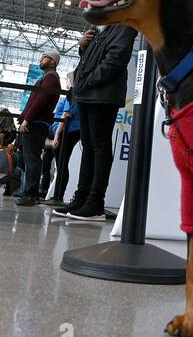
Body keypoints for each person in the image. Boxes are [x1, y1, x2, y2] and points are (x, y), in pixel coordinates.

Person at [54, 24, 135, 221]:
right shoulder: (103, 29)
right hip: (88, 94)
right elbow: (90, 59)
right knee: (89, 146)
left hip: (102, 94)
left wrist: (88, 81)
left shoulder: (123, 25)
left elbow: (116, 59)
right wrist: (83, 47)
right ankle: (82, 197)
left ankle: (95, 201)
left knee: (99, 145)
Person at [15, 50, 63, 206]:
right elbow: (35, 101)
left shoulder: (51, 78)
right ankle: (31, 194)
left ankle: (30, 194)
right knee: (31, 159)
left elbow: (40, 100)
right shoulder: (48, 77)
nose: (41, 59)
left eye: (45, 57)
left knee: (32, 160)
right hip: (35, 123)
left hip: (35, 124)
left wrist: (27, 119)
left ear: (53, 61)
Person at [42, 76, 80, 206]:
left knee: (62, 164)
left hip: (67, 131)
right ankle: (58, 195)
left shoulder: (73, 93)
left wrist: (57, 135)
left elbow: (66, 115)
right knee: (62, 164)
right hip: (69, 131)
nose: (66, 82)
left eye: (67, 80)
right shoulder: (75, 93)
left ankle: (58, 196)